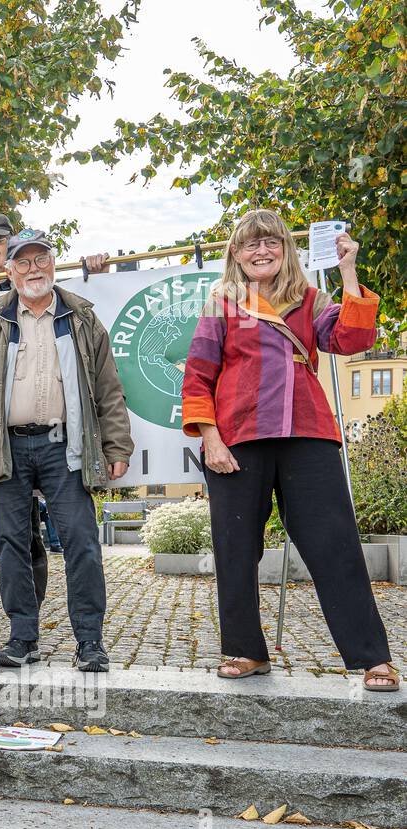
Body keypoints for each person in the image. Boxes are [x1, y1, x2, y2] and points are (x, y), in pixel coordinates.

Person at [182, 210, 398, 691]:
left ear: (286, 249)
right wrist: (210, 438)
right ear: (235, 254)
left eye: (271, 242)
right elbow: (197, 374)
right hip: (237, 439)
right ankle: (245, 651)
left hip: (307, 432)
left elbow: (352, 339)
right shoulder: (222, 303)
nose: (262, 251)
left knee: (335, 546)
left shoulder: (310, 298)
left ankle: (372, 658)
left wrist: (347, 270)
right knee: (236, 550)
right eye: (250, 244)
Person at [0, 227, 133, 672]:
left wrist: (117, 443)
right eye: (23, 262)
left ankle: (90, 642)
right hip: (5, 447)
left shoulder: (82, 320)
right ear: (9, 271)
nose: (34, 269)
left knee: (81, 542)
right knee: (11, 544)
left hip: (64, 447)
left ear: (53, 263)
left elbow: (109, 389)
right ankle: (23, 638)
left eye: (41, 259)